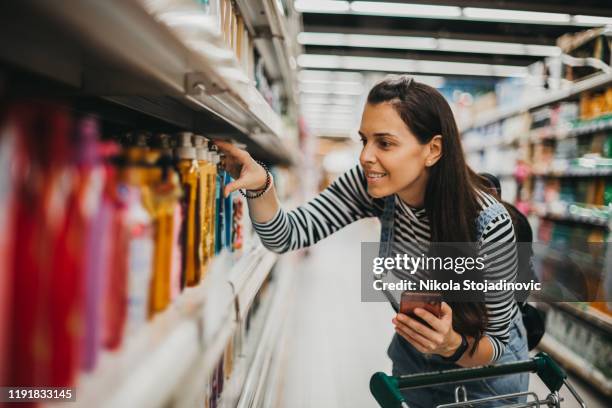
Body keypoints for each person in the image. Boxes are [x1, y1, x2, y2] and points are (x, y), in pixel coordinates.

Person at [215, 75, 529, 407]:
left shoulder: (489, 224)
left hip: (481, 377)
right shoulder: (370, 184)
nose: (366, 156)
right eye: (364, 140)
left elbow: (494, 345)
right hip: (414, 361)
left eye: (385, 143)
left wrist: (450, 344)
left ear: (433, 150)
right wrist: (261, 183)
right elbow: (287, 235)